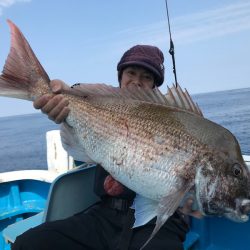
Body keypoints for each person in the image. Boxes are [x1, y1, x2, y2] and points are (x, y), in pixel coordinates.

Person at [12, 45, 199, 250]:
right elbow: (80, 105)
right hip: (105, 215)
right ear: (120, 77)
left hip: (157, 223)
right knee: (29, 244)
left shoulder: (173, 121)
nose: (137, 81)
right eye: (131, 72)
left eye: (146, 77)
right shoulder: (102, 106)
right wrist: (63, 95)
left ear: (155, 86)